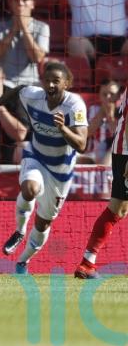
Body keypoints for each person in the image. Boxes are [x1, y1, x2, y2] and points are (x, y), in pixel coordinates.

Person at [0, 62, 88, 274]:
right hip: (36, 157)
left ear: (67, 83)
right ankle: (19, 231)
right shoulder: (33, 95)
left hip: (60, 171)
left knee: (43, 223)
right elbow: (17, 90)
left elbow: (82, 145)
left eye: (56, 81)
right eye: (47, 80)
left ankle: (23, 261)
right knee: (30, 189)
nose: (51, 84)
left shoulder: (75, 106)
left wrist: (63, 128)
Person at [75, 84, 128, 279]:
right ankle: (87, 263)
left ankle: (87, 263)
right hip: (125, 152)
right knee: (117, 209)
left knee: (118, 209)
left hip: (122, 151)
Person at [0, 0, 49, 87]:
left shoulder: (42, 27)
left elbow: (37, 58)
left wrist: (24, 28)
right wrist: (13, 30)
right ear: (10, 3)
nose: (20, 3)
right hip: (4, 80)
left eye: (25, 0)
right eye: (16, 0)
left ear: (32, 4)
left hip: (31, 81)